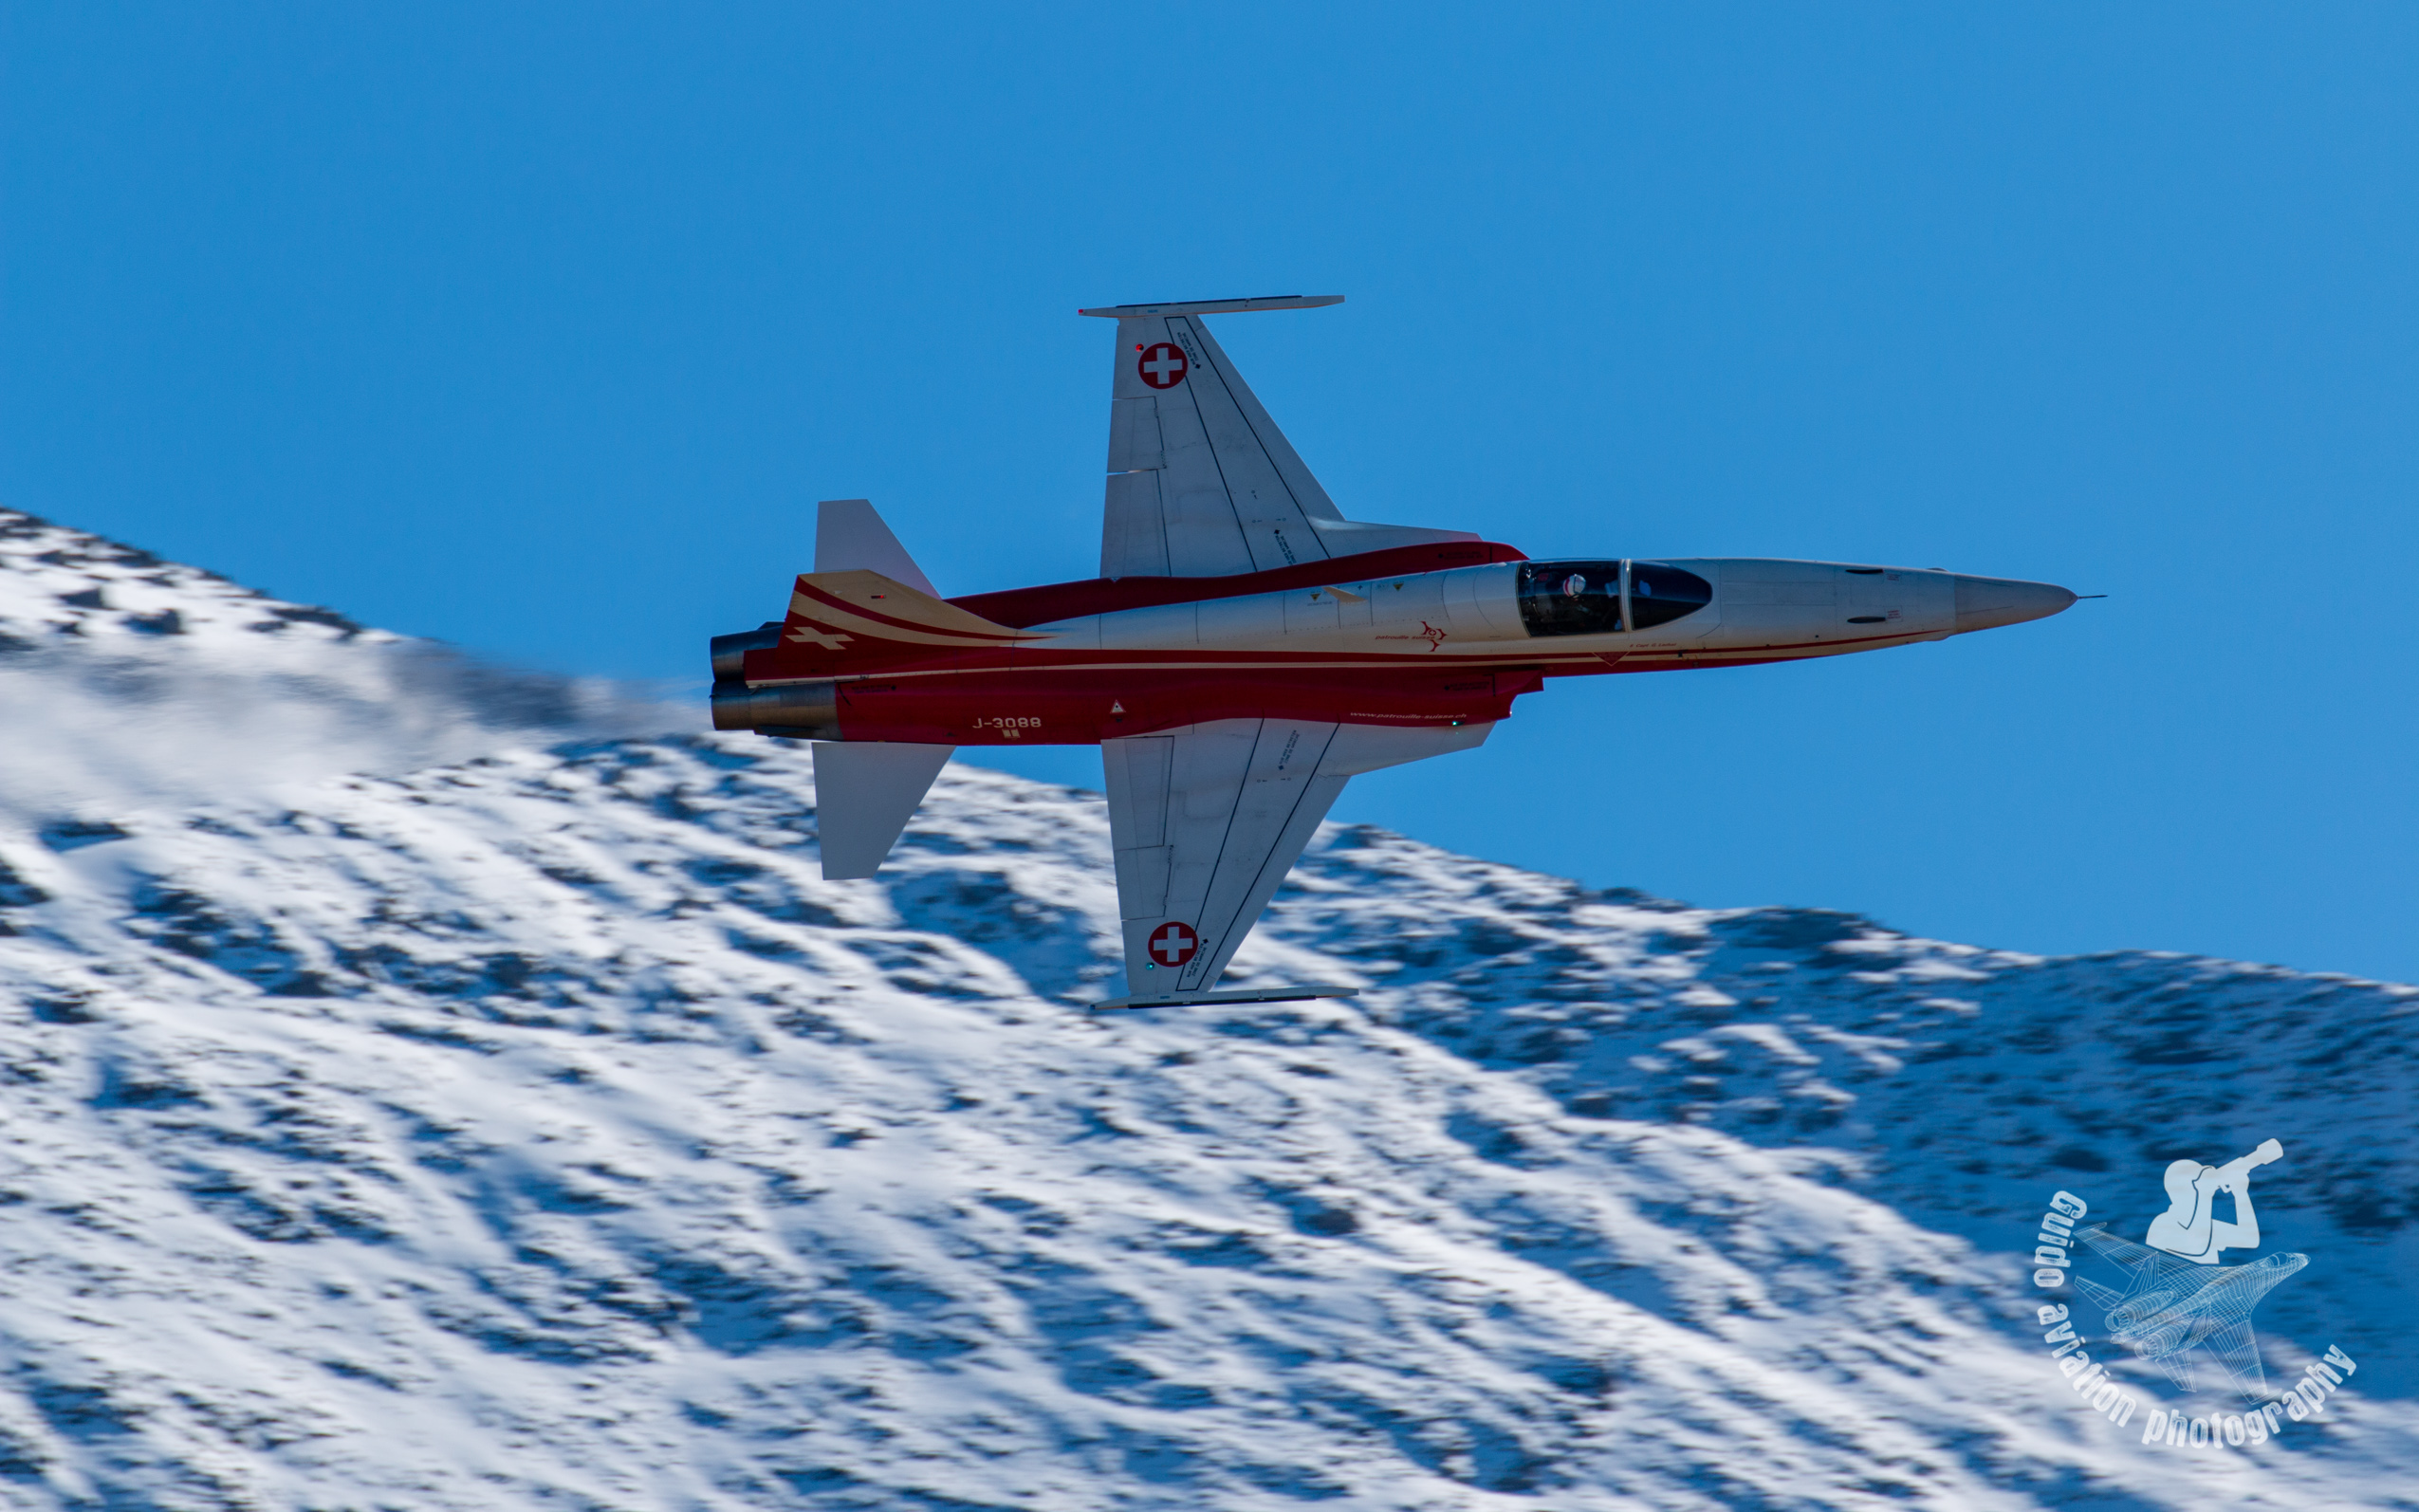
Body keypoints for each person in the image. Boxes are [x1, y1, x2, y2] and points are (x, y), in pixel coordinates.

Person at [2146, 1139, 2284, 1263]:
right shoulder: (2161, 1225)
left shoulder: (2206, 1225)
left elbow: (2249, 1239)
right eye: (2199, 1181)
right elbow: (2197, 1245)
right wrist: (2205, 1194)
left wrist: (2241, 1194)